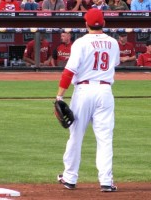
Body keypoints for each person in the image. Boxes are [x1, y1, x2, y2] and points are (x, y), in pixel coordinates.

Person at [55, 8, 120, 192]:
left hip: (83, 91)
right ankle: (106, 181)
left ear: (86, 24)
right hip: (105, 91)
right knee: (105, 138)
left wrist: (59, 95)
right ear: (104, 23)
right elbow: (114, 63)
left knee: (76, 135)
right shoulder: (113, 43)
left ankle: (69, 178)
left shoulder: (81, 43)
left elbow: (69, 72)